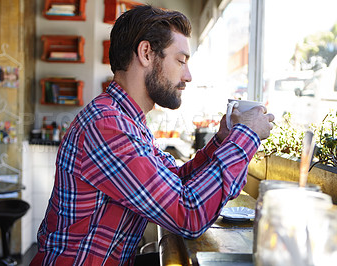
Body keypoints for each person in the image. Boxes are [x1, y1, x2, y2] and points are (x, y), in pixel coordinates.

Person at [31, 5, 274, 266]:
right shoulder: (107, 126)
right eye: (181, 61)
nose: (188, 76)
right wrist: (247, 135)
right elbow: (188, 214)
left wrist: (221, 141)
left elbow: (175, 181)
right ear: (146, 53)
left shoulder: (128, 122)